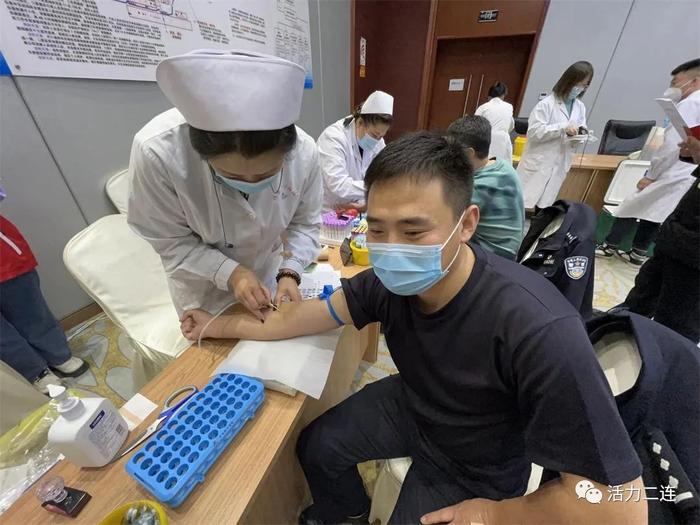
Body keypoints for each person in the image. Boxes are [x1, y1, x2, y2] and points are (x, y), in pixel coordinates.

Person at [180, 132, 645, 525]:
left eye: (414, 231)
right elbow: (304, 315)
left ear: (466, 224)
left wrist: (494, 514)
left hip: (476, 465)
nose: (391, 248)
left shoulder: (538, 329)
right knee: (317, 446)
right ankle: (348, 514)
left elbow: (620, 506)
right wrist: (217, 325)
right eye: (377, 229)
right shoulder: (385, 283)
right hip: (415, 404)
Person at [128, 50, 323, 320]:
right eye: (232, 176)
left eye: (268, 173)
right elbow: (169, 241)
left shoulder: (305, 152)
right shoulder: (157, 153)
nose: (252, 183)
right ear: (201, 153)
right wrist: (230, 273)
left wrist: (290, 271)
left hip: (270, 274)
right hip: (203, 290)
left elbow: (305, 224)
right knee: (213, 345)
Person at [596, 58, 700, 266]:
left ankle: (610, 245)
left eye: (676, 82)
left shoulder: (691, 103)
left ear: (694, 81)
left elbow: (671, 145)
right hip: (685, 172)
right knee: (656, 211)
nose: (672, 87)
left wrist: (651, 175)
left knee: (634, 204)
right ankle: (638, 251)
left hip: (673, 170)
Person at [612, 133, 700, 342]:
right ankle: (614, 338)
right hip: (674, 239)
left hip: (692, 257)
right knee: (640, 299)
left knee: (674, 328)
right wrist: (693, 151)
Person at [0, 214, 89, 394]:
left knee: (32, 312)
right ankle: (35, 372)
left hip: (5, 259)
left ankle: (58, 355)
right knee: (2, 337)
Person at [517, 61, 593, 210]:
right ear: (568, 81)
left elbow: (580, 129)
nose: (580, 89)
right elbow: (534, 132)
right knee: (522, 204)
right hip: (538, 163)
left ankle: (538, 225)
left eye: (585, 85)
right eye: (578, 84)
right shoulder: (546, 104)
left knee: (544, 207)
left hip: (559, 163)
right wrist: (562, 128)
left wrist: (580, 135)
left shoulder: (579, 107)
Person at [447, 115, 524, 259]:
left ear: (469, 153)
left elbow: (445, 213)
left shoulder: (480, 186)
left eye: (452, 151)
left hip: (496, 254)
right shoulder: (501, 165)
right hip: (511, 249)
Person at [317, 91, 393, 212]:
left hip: (356, 208)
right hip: (329, 210)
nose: (377, 140)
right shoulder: (333, 138)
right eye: (375, 135)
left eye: (381, 136)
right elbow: (338, 185)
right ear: (360, 123)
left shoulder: (378, 141)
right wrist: (376, 186)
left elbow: (382, 173)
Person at [474, 81, 514, 162]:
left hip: (486, 140)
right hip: (503, 141)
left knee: (485, 163)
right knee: (502, 165)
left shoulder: (483, 107)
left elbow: (474, 126)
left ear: (489, 97)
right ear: (503, 95)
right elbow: (511, 125)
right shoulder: (509, 107)